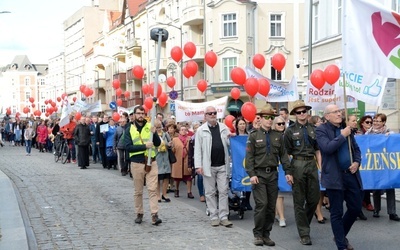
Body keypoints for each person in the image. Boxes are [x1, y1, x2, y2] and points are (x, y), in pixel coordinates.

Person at [316, 105, 363, 250]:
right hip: (334, 177)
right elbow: (327, 148)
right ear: (327, 116)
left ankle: (339, 236)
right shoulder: (321, 130)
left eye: (339, 111)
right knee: (337, 212)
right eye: (335, 112)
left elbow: (356, 150)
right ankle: (341, 245)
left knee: (355, 208)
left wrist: (356, 162)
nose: (339, 114)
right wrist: (342, 135)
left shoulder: (346, 127)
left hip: (351, 175)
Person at [245, 105, 291, 246]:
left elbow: (283, 156)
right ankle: (258, 234)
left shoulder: (277, 136)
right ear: (260, 119)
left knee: (271, 207)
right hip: (259, 174)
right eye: (266, 117)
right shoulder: (253, 136)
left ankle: (266, 234)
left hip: (272, 174)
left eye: (271, 117)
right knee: (262, 204)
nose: (269, 120)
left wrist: (288, 172)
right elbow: (249, 157)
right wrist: (251, 174)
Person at [283, 100, 321, 246]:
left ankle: (303, 222)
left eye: (303, 111)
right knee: (299, 201)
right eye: (298, 112)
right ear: (295, 114)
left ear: (307, 112)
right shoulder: (290, 131)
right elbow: (285, 153)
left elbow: (318, 150)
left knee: (314, 198)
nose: (301, 114)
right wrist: (288, 171)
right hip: (297, 164)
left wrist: (321, 169)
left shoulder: (314, 129)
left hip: (311, 164)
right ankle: (304, 233)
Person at [194, 106, 233, 228]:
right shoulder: (201, 130)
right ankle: (214, 216)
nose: (212, 115)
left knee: (223, 191)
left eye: (214, 113)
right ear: (205, 116)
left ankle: (223, 216)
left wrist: (231, 138)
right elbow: (198, 150)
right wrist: (198, 166)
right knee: (210, 192)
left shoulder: (224, 128)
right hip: (208, 166)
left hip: (222, 165)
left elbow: (228, 144)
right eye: (209, 113)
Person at [124, 106, 162, 225]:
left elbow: (158, 143)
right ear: (134, 115)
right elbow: (128, 147)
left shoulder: (149, 126)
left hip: (151, 161)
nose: (140, 115)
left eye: (142, 113)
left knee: (152, 189)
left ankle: (154, 215)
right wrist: (144, 146)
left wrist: (154, 133)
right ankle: (139, 213)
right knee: (138, 191)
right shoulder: (129, 129)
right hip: (137, 163)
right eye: (138, 113)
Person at [365, 113, 399, 221]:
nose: (375, 123)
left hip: (387, 164)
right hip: (374, 162)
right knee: (376, 187)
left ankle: (392, 212)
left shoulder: (389, 133)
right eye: (374, 120)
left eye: (378, 121)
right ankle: (376, 209)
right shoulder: (368, 134)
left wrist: (390, 137)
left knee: (390, 187)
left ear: (384, 122)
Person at [308, 115, 329, 224]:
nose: (321, 122)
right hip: (314, 162)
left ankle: (319, 210)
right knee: (316, 190)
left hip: (324, 160)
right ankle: (317, 212)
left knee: (322, 190)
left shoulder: (324, 131)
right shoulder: (313, 133)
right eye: (319, 121)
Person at [272, 116, 288, 227]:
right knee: (275, 193)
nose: (281, 125)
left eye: (283, 123)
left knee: (280, 193)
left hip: (284, 166)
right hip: (273, 166)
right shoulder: (271, 136)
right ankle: (279, 215)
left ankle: (280, 216)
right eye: (279, 124)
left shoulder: (288, 135)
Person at [234, 117, 253, 211]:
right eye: (240, 124)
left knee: (248, 179)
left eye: (243, 124)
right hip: (238, 160)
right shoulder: (234, 136)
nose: (242, 125)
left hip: (247, 159)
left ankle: (247, 201)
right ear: (237, 125)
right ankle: (240, 200)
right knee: (240, 178)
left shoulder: (249, 135)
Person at [171, 125, 194, 198]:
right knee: (177, 177)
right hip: (178, 160)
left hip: (187, 160)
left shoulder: (189, 139)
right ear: (179, 131)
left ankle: (189, 192)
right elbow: (172, 151)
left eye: (185, 129)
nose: (183, 131)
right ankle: (176, 190)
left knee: (188, 177)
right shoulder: (175, 139)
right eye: (182, 129)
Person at [358, 115, 374, 212]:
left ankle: (367, 201)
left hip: (370, 160)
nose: (369, 124)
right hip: (361, 160)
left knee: (368, 180)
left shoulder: (373, 133)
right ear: (362, 123)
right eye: (367, 122)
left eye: (371, 122)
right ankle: (362, 202)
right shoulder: (359, 133)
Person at [154, 119, 172, 202]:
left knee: (166, 177)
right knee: (158, 178)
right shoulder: (153, 135)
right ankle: (158, 195)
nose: (159, 129)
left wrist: (169, 144)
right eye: (157, 127)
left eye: (160, 127)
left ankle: (164, 194)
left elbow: (170, 144)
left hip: (166, 158)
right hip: (158, 158)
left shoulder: (165, 134)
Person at [188, 122, 204, 202]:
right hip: (197, 161)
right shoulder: (192, 140)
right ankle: (201, 194)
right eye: (195, 129)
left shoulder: (205, 137)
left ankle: (208, 193)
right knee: (200, 177)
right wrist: (190, 165)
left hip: (206, 160)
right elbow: (190, 153)